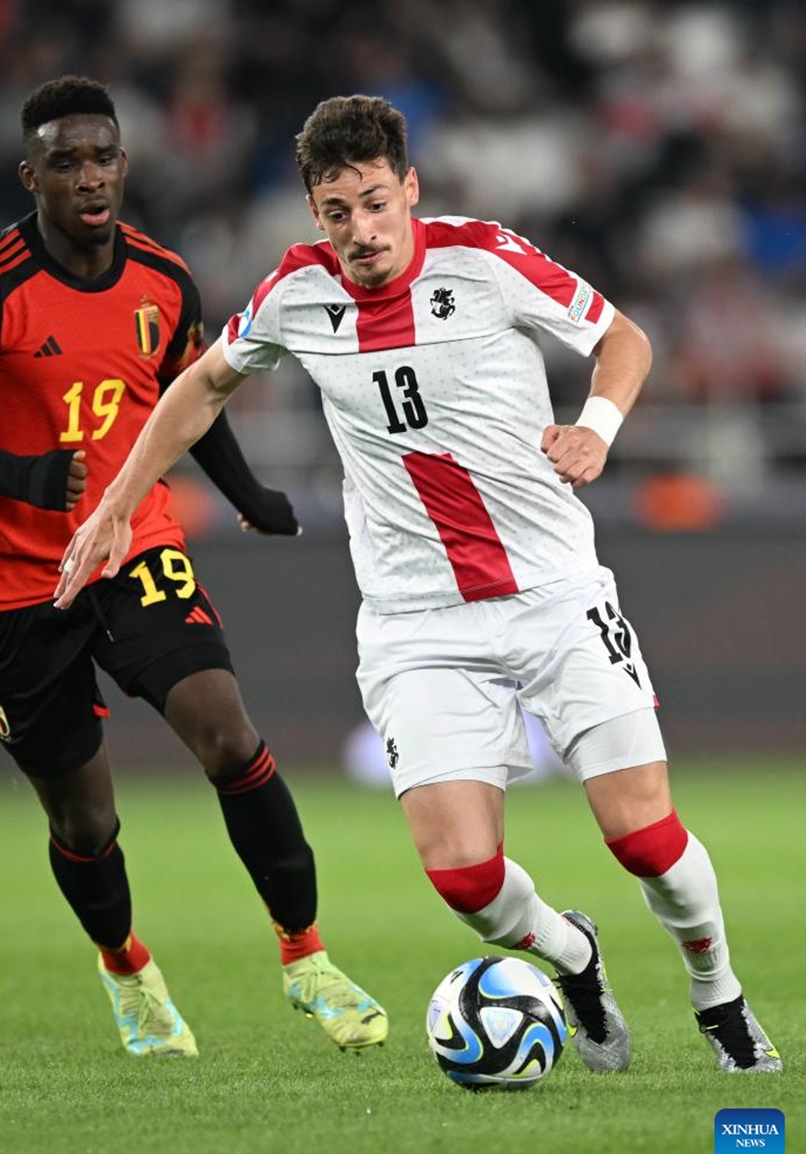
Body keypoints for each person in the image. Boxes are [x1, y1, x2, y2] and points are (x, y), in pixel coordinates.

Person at [56, 94, 785, 1075]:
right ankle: (572, 958)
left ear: (408, 190)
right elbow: (199, 386)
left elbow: (623, 340)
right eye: (333, 212)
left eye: (371, 204)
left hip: (552, 592)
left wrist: (594, 431)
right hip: (416, 621)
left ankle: (717, 996)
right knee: (464, 879)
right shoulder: (292, 294)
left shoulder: (483, 260)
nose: (357, 232)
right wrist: (115, 502)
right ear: (312, 215)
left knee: (643, 837)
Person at [0, 77, 388, 1058]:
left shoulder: (163, 279)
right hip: (15, 582)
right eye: (64, 162)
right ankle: (128, 972)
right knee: (83, 816)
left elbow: (188, 398)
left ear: (123, 163)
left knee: (229, 737)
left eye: (102, 157)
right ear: (30, 176)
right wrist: (21, 475)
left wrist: (243, 492)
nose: (88, 178)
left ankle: (307, 961)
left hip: (135, 545)